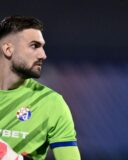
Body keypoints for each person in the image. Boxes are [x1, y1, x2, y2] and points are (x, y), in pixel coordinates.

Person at [0, 15, 81, 160]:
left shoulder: (51, 103)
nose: (43, 55)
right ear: (8, 49)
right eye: (34, 46)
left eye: (42, 47)